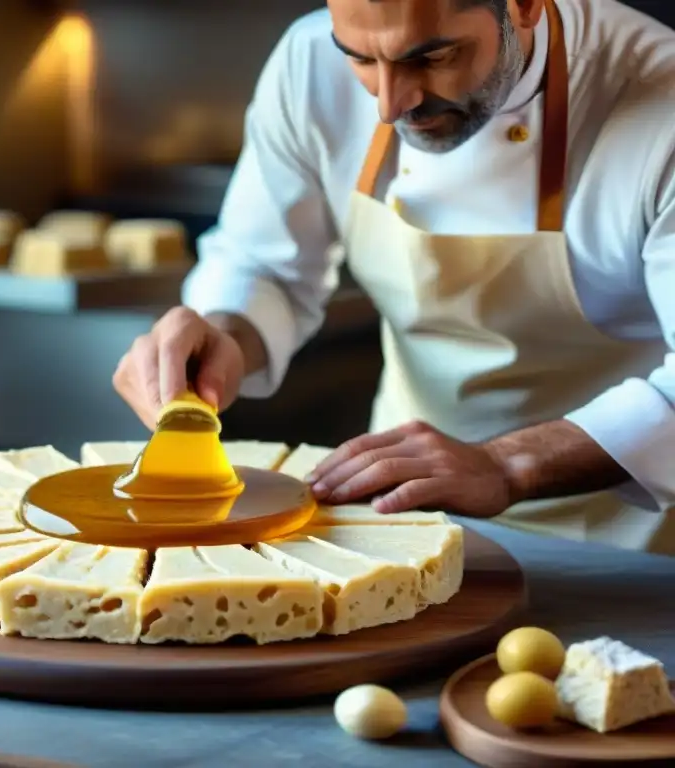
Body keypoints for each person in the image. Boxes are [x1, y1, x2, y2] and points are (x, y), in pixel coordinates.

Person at [112, 0, 675, 553]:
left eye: (432, 58)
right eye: (359, 59)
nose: (389, 103)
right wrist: (222, 335)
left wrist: (505, 464)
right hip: (402, 517)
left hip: (627, 535)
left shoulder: (658, 96)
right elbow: (265, 267)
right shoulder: (308, 64)